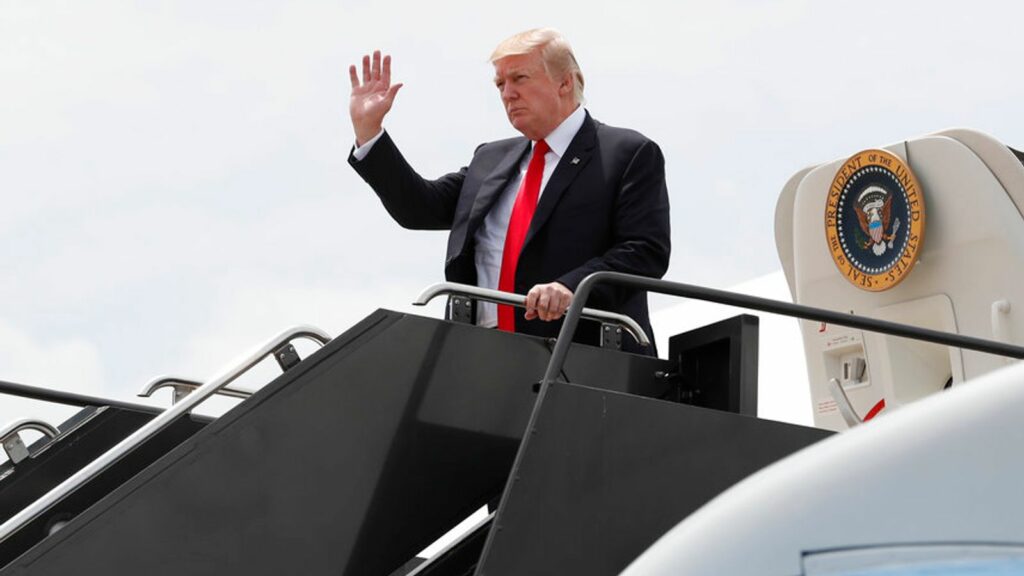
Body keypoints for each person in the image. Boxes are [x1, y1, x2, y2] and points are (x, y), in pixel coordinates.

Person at [347, 28, 670, 353]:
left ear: (565, 82)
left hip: (580, 359)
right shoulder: (490, 159)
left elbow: (645, 250)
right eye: (500, 84)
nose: (508, 93)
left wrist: (570, 288)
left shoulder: (626, 153)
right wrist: (369, 132)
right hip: (479, 358)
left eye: (520, 78)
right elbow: (419, 208)